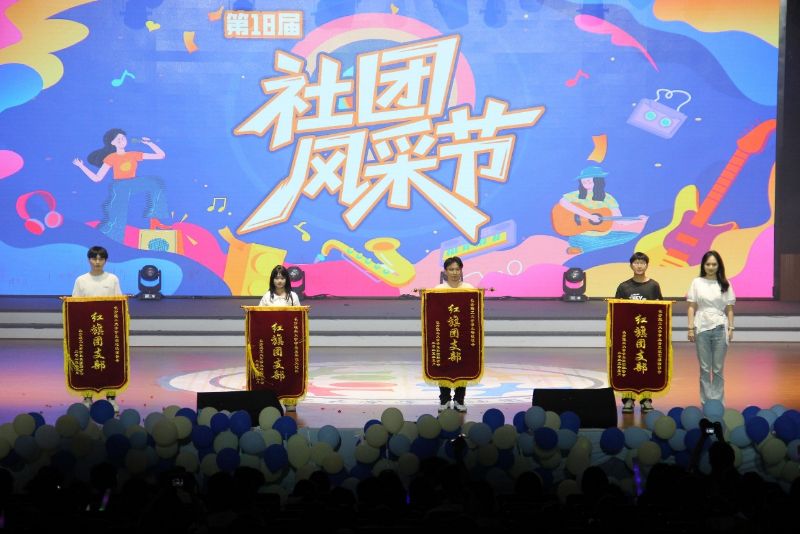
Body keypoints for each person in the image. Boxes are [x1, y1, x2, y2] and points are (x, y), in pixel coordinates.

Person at [73, 129, 168, 242]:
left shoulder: (133, 154)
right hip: (120, 186)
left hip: (133, 183)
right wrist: (81, 166)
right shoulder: (111, 158)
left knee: (155, 182)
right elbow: (97, 178)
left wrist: (149, 143)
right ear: (112, 143)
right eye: (118, 139)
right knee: (117, 216)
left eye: (123, 138)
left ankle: (155, 219)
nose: (121, 140)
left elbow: (161, 155)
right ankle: (108, 240)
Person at [71, 245, 122, 412]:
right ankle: (87, 397)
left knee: (111, 364)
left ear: (106, 261)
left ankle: (111, 398)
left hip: (108, 330)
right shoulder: (81, 280)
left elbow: (119, 303)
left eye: (101, 259)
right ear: (89, 260)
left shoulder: (112, 279)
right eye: (94, 258)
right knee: (88, 363)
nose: (97, 262)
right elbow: (74, 305)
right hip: (87, 330)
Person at [556, 165, 647, 255]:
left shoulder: (608, 198)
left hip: (604, 235)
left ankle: (581, 248)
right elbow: (563, 202)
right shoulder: (576, 195)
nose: (586, 184)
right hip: (581, 235)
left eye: (589, 181)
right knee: (599, 246)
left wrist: (638, 219)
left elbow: (619, 220)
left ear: (598, 181)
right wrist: (589, 216)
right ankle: (582, 247)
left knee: (635, 237)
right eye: (583, 182)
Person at [614, 251, 663, 414]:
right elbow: (616, 309)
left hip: (647, 334)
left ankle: (646, 399)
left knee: (646, 366)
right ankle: (628, 400)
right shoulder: (624, 287)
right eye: (636, 263)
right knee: (628, 366)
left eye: (642, 263)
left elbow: (660, 308)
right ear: (631, 265)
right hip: (628, 334)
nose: (639, 266)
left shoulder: (654, 285)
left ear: (647, 265)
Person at [686, 250, 735, 406]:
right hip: (702, 328)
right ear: (703, 265)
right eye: (708, 264)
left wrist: (731, 328)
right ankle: (706, 403)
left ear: (719, 265)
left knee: (718, 368)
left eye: (714, 264)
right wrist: (690, 328)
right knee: (705, 368)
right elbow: (691, 306)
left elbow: (729, 308)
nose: (711, 267)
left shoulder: (725, 284)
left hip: (720, 327)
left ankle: (718, 403)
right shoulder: (697, 282)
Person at [258, 265, 301, 411]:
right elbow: (258, 315)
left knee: (288, 370)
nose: (279, 281)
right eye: (276, 278)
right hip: (272, 342)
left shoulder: (293, 296)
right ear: (272, 280)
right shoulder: (267, 297)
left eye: (282, 278)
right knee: (272, 370)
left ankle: (289, 401)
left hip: (287, 341)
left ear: (287, 279)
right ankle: (271, 400)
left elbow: (299, 316)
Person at [435, 256, 474, 413]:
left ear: (461, 270)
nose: (454, 272)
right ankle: (444, 399)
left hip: (462, 335)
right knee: (444, 367)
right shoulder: (438, 290)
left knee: (462, 367)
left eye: (457, 269)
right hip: (445, 335)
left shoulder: (469, 288)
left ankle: (459, 399)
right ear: (445, 271)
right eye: (451, 269)